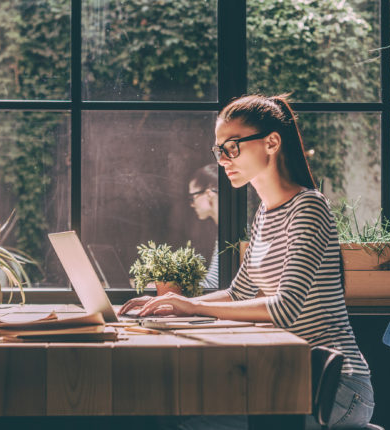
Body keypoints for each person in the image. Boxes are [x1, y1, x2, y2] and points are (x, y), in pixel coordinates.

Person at [120, 94, 375, 428]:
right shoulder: (265, 214)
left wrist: (192, 307)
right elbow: (239, 292)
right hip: (291, 376)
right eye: (219, 149)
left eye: (233, 146)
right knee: (180, 410)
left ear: (271, 142)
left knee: (189, 424)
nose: (224, 159)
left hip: (335, 387)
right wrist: (173, 304)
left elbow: (284, 309)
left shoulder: (309, 208)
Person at [188, 164, 219, 289]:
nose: (192, 204)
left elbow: (213, 285)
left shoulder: (230, 233)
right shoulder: (223, 230)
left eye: (192, 197)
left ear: (209, 193)